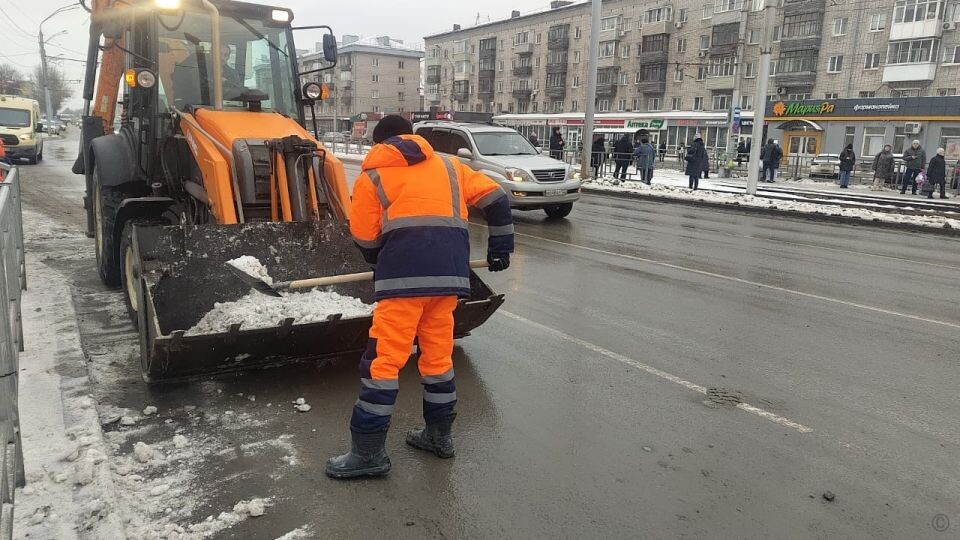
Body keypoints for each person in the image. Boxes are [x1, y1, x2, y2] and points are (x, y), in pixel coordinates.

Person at [326, 115, 514, 479]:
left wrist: (381, 261)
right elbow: (497, 198)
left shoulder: (373, 175)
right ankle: (438, 437)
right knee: (437, 357)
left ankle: (368, 454)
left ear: (378, 143)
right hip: (448, 281)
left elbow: (365, 237)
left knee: (383, 363)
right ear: (411, 137)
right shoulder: (450, 166)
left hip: (402, 286)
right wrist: (500, 247)